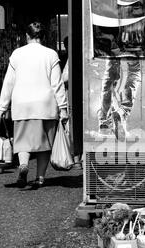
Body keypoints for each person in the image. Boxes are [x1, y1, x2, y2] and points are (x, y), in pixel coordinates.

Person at [0, 22, 69, 189]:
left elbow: (9, 82)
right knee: (44, 143)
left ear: (27, 36)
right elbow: (57, 84)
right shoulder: (51, 54)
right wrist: (63, 108)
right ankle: (40, 178)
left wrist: (3, 106)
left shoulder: (17, 54)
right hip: (45, 105)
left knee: (23, 140)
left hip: (22, 104)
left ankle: (23, 165)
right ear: (43, 37)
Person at [97, 0, 144, 137]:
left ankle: (104, 120)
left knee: (110, 75)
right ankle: (122, 111)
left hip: (112, 36)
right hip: (132, 36)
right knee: (134, 72)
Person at [62, 37, 82, 170]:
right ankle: (80, 157)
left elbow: (64, 78)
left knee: (73, 125)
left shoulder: (71, 58)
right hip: (85, 94)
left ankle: (75, 157)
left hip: (73, 95)